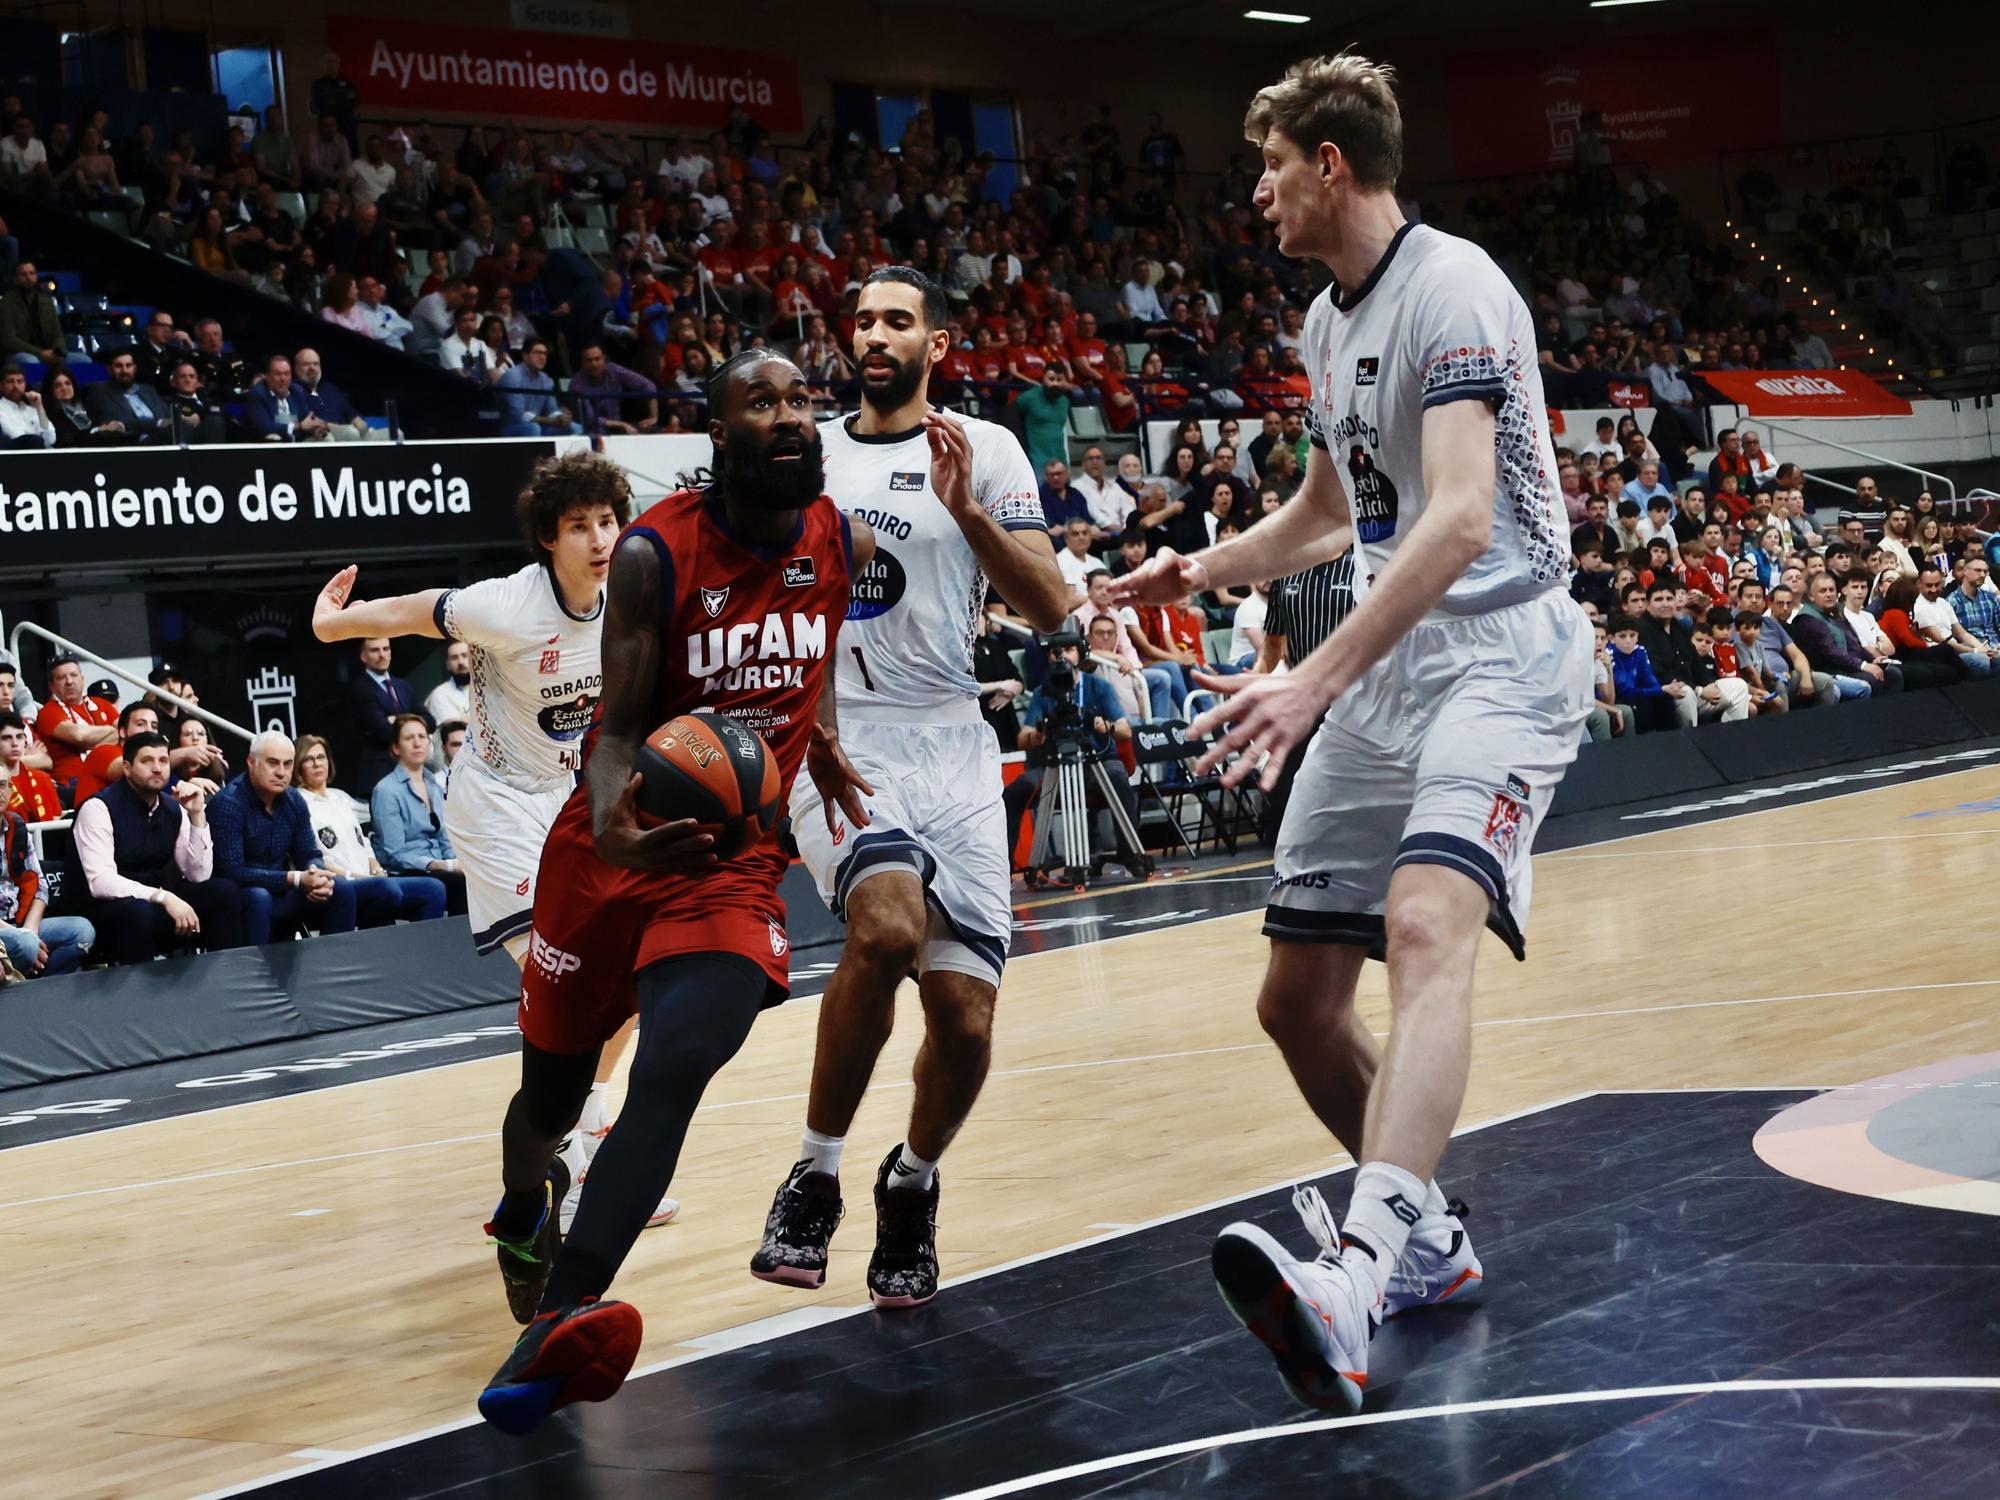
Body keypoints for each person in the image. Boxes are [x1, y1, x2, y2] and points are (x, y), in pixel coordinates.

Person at [1111, 52, 1592, 1414]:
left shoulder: (1456, 286)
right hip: (1393, 668)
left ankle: (1358, 1273)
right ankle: (1427, 1243)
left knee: (1426, 925)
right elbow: (1334, 512)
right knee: (1296, 1004)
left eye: (1270, 165)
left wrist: (1311, 679)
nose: (1257, 191)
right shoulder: (1326, 322)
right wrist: (1202, 570)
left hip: (1501, 656)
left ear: (1330, 163)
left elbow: (1459, 519)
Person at [474, 349, 874, 1434]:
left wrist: (819, 737)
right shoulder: (656, 554)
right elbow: (615, 730)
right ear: (719, 432)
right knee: (549, 1104)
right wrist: (613, 821)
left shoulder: (836, 536)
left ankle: (559, 1318)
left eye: (800, 401)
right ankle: (521, 1206)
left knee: (674, 1065)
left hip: (729, 863)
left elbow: (814, 650)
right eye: (762, 403)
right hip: (611, 850)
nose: (790, 417)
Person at [750, 268, 1066, 1308]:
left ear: (937, 344)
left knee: (965, 1021)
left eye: (897, 320)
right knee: (885, 930)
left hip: (952, 743)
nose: (874, 335)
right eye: (863, 322)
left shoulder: (987, 449)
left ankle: (913, 1181)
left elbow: (1050, 606)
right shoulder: (805, 454)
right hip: (839, 736)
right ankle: (813, 1174)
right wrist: (810, 722)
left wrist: (965, 510)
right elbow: (773, 603)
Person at [310, 450, 669, 1231]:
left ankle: (588, 1129)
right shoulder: (507, 605)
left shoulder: (633, 595)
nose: (600, 538)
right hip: (496, 805)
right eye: (580, 526)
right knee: (571, 989)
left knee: (634, 981)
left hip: (572, 800)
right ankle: (565, 1162)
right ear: (549, 536)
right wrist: (337, 622)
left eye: (608, 521)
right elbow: (415, 610)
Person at [71, 733, 245, 963]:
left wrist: (196, 815)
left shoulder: (172, 807)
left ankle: (227, 977)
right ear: (127, 768)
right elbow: (101, 882)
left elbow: (198, 875)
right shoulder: (98, 808)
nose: (157, 768)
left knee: (223, 893)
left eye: (163, 761)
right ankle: (140, 987)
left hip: (154, 902)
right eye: (147, 761)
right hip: (104, 910)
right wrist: (164, 897)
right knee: (137, 912)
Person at [998, 625, 1145, 860]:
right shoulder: (1042, 692)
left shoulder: (1099, 687)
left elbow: (1125, 731)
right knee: (1014, 793)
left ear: (1081, 653)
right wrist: (1035, 737)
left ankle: (1130, 856)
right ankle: (1004, 867)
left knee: (1118, 776)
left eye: (1069, 650)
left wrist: (1106, 726)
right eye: (1056, 652)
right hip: (1054, 765)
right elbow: (1023, 738)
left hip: (1095, 763)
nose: (1062, 656)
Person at [291, 734, 449, 923]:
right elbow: (316, 860)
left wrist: (376, 870)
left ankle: (421, 943)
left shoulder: (340, 799)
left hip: (371, 879)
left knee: (434, 889)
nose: (317, 764)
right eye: (309, 759)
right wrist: (357, 877)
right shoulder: (299, 804)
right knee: (387, 890)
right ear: (298, 766)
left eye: (321, 757)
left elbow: (364, 844)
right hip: (341, 884)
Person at [0, 763, 93, 977]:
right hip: (5, 930)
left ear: (11, 790)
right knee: (26, 945)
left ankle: (39, 979)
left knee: (83, 931)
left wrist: (30, 929)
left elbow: (40, 885)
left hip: (21, 922)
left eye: (3, 785)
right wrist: (23, 936)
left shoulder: (17, 827)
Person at [368, 714, 467, 915]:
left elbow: (445, 838)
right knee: (459, 884)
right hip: (406, 871)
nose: (417, 743)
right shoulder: (386, 790)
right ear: (396, 748)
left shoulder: (435, 785)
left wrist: (456, 863)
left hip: (440, 866)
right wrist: (438, 865)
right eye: (409, 738)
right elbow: (395, 854)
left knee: (476, 877)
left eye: (422, 737)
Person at [342, 636, 425, 793]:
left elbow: (429, 721)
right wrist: (411, 720)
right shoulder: (360, 689)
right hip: (379, 772)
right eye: (375, 650)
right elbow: (384, 731)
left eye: (386, 649)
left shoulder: (403, 685)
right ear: (363, 656)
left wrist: (397, 720)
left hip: (411, 770)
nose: (382, 654)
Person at [37, 655, 123, 802]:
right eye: (61, 678)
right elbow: (79, 736)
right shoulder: (48, 711)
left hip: (110, 776)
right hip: (72, 783)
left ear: (82, 679)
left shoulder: (101, 704)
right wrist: (111, 730)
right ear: (51, 686)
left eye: (74, 675)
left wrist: (95, 740)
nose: (69, 681)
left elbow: (126, 731)